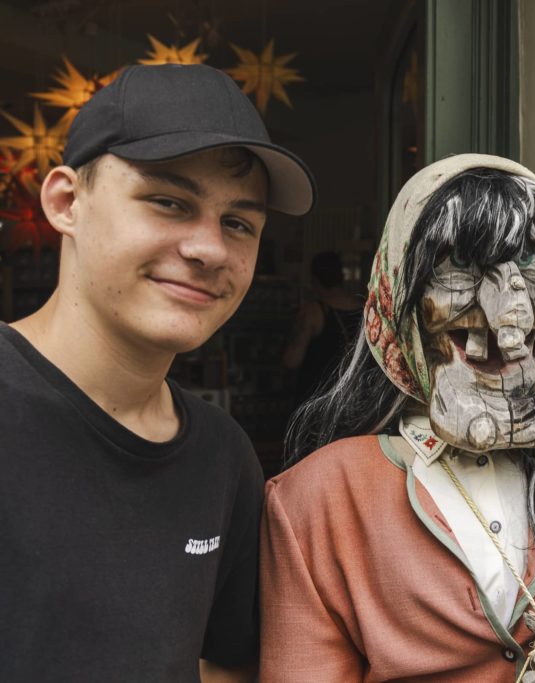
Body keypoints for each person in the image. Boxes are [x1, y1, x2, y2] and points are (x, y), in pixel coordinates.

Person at [260, 154, 535, 681]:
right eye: (461, 265)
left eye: (530, 262)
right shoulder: (316, 497)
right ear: (397, 297)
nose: (510, 307)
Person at [0, 63, 315, 681]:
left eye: (238, 223)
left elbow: (226, 664)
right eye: (169, 202)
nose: (210, 249)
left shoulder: (223, 457)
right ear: (66, 202)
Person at [281, 250, 362, 404]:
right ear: (341, 276)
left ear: (314, 279)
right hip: (353, 398)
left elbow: (292, 359)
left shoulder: (313, 311)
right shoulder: (363, 309)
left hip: (319, 401)